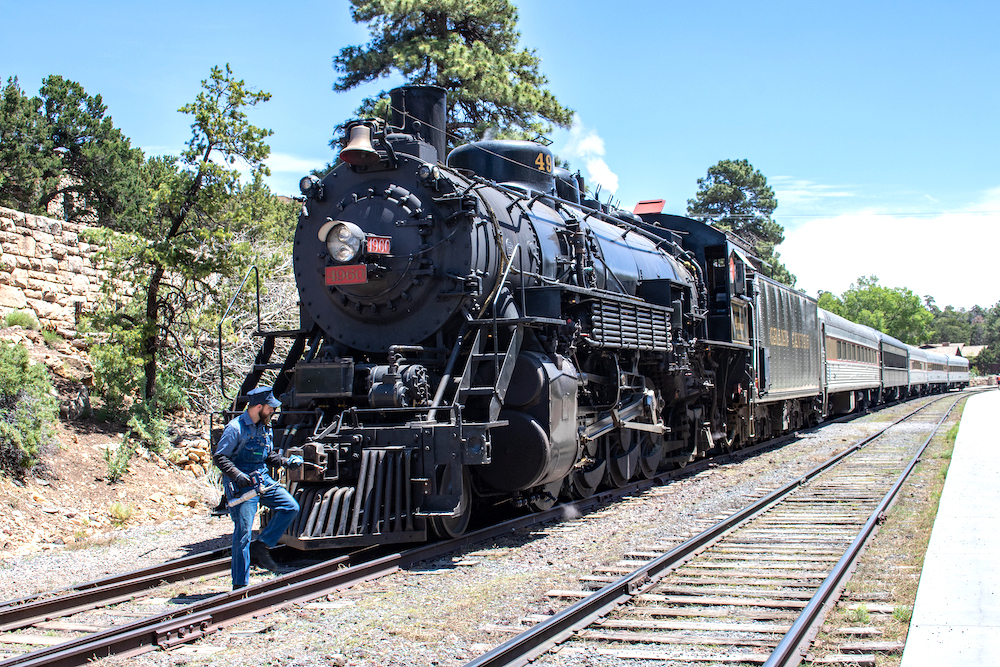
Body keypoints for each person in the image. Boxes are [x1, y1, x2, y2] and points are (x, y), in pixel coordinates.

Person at [213, 386, 301, 589]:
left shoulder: (265, 426)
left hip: (262, 479)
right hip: (242, 487)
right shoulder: (235, 428)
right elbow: (220, 457)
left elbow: (267, 456)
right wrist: (237, 475)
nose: (273, 411)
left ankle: (261, 546)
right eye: (271, 408)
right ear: (259, 407)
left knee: (290, 507)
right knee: (242, 534)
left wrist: (285, 462)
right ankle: (240, 586)